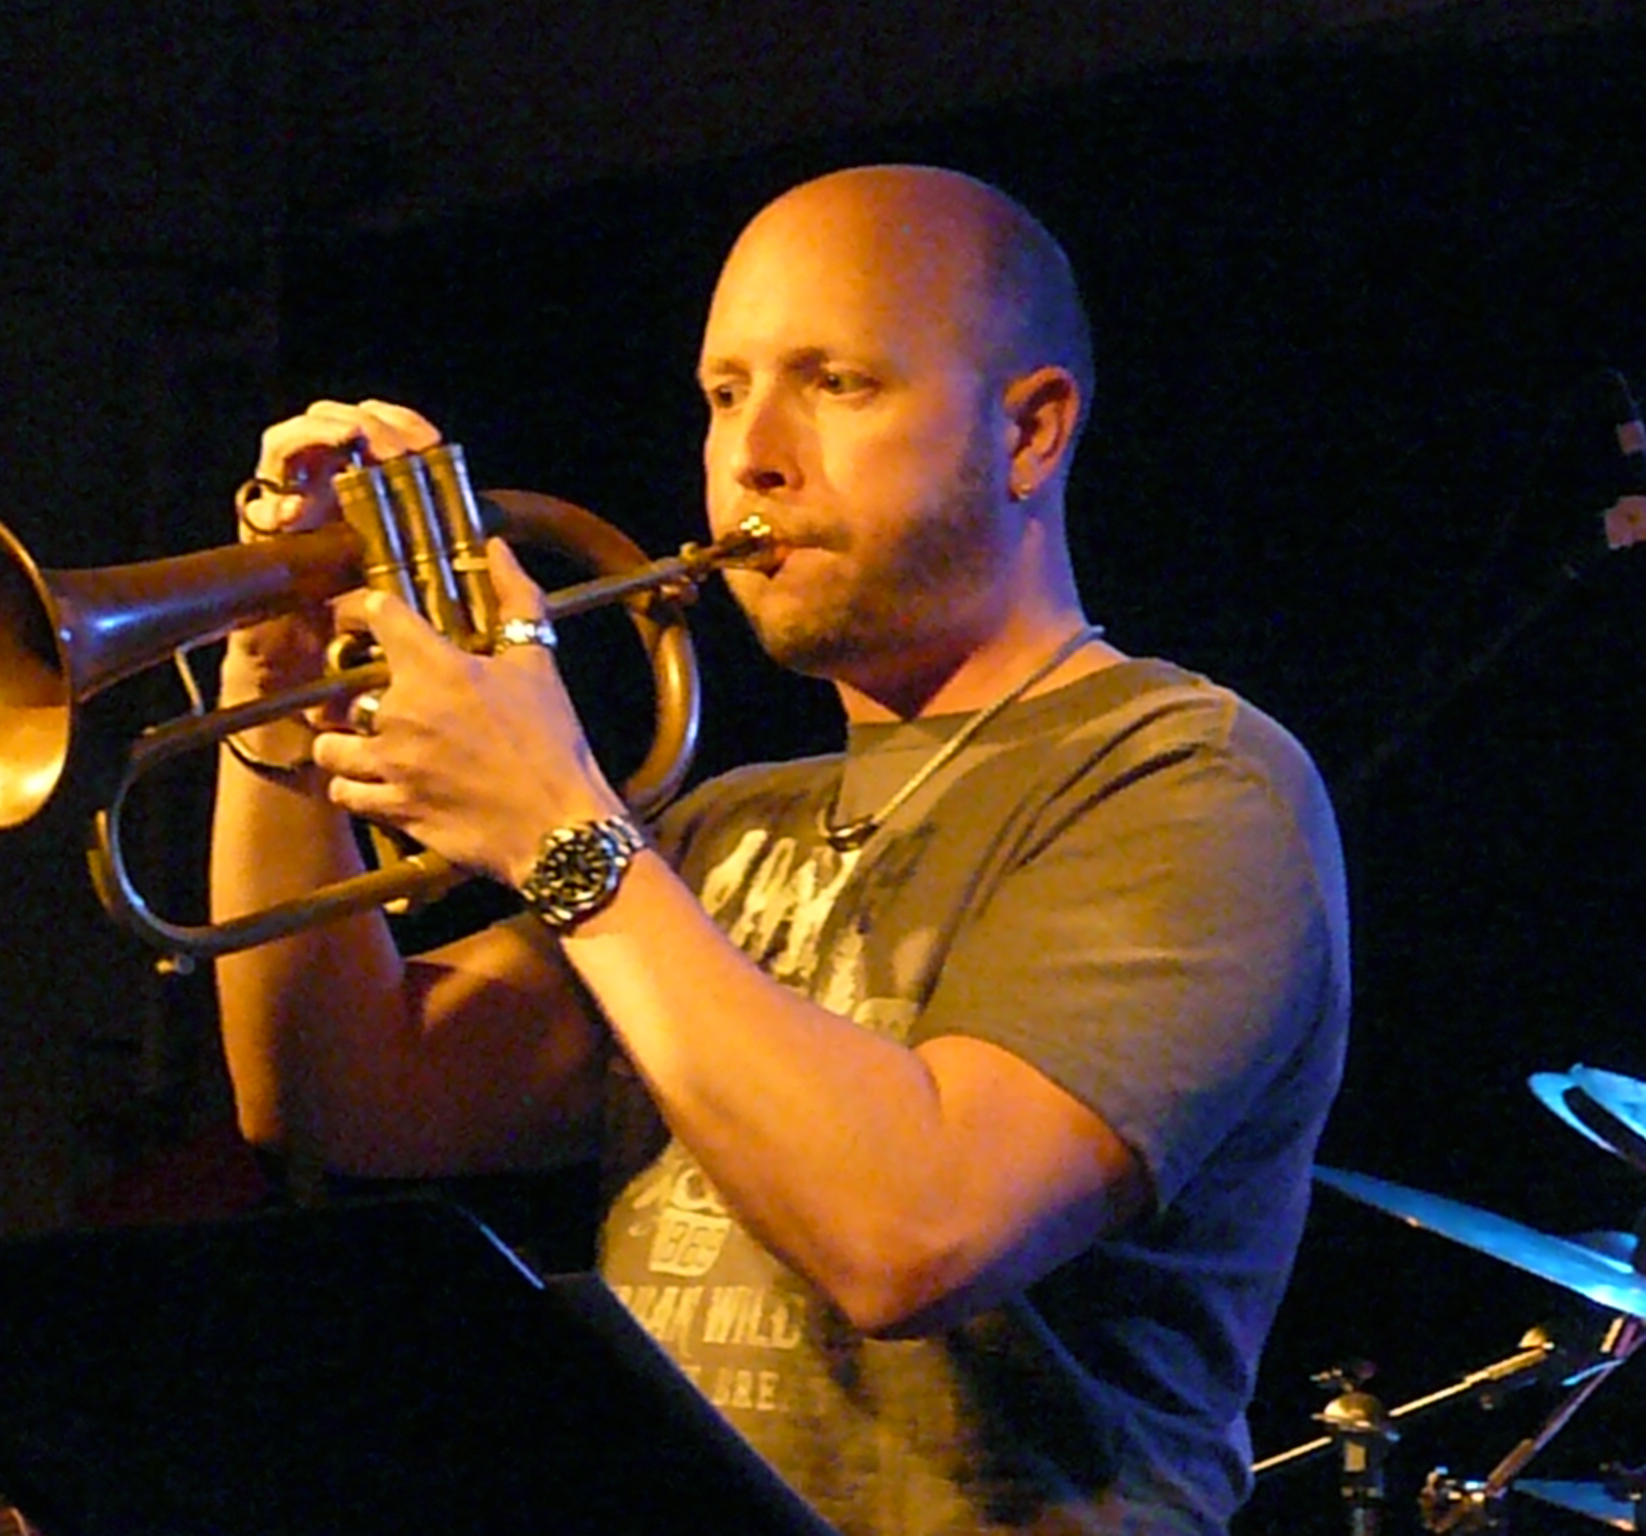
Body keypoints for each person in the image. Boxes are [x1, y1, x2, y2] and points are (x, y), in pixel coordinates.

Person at [209, 164, 1350, 1536]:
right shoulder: (725, 825)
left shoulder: (1187, 782)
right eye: (724, 392)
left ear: (1031, 431)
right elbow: (346, 1096)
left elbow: (912, 1236)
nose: (753, 453)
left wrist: (561, 828)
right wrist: (273, 685)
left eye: (839, 383)